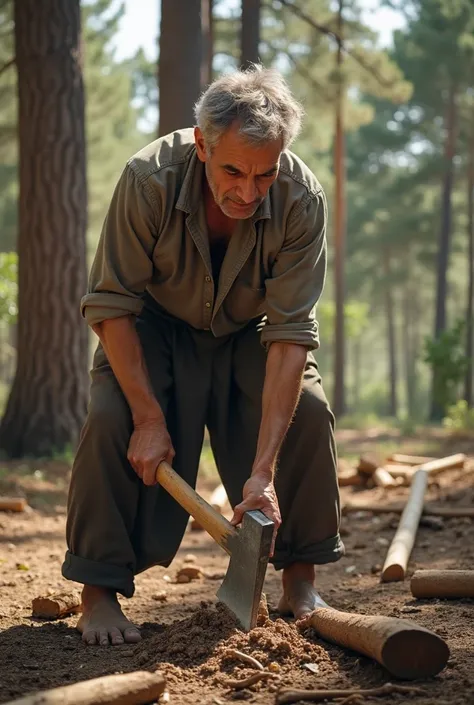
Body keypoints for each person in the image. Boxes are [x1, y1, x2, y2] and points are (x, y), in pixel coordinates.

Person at [62, 65, 344, 647]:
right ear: (202, 144)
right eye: (233, 171)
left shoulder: (302, 198)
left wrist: (262, 472)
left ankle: (299, 580)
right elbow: (112, 305)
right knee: (112, 419)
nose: (247, 191)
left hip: (251, 331)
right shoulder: (148, 179)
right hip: (153, 327)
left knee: (309, 412)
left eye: (264, 175)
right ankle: (99, 591)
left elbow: (291, 333)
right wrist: (146, 417)